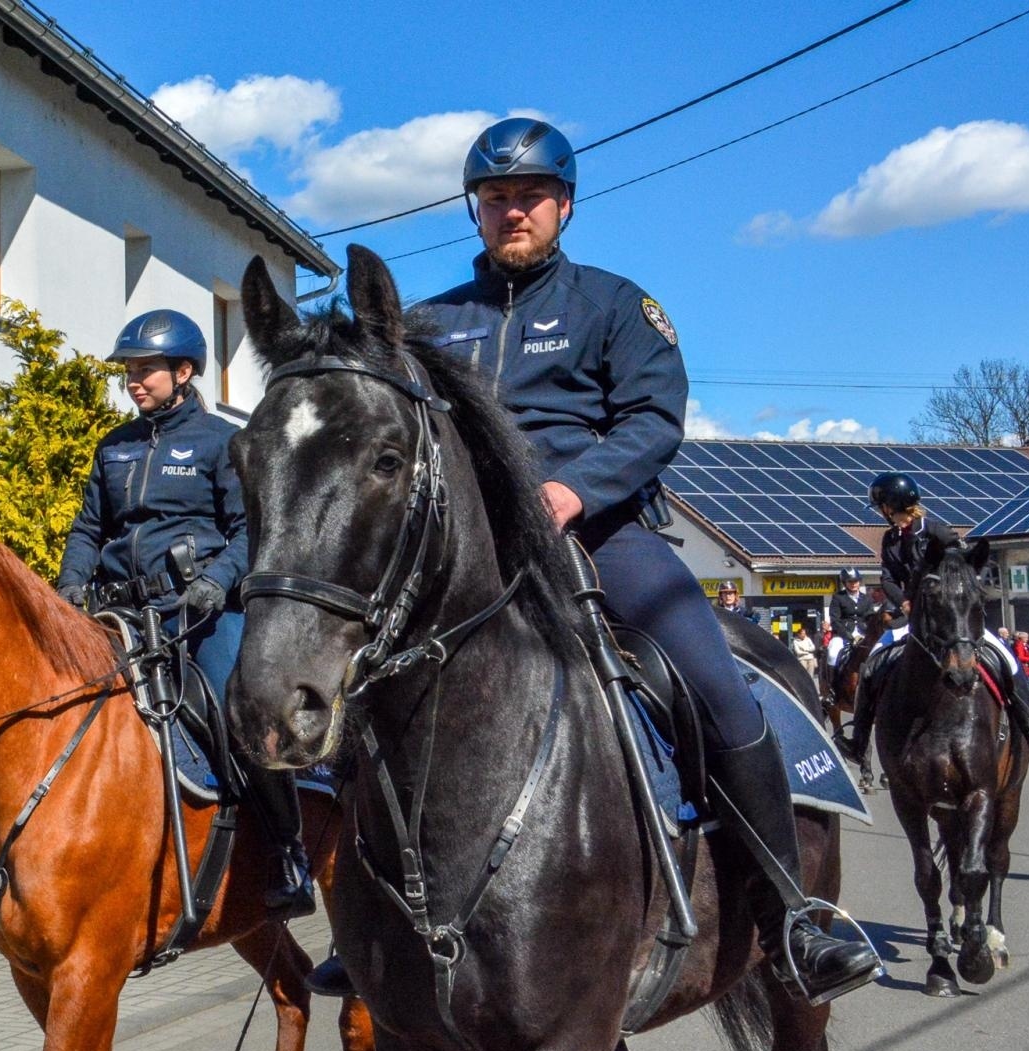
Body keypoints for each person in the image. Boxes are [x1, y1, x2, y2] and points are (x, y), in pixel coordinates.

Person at [305, 118, 878, 1004]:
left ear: (564, 204)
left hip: (603, 538)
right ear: (476, 210)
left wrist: (573, 490)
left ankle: (791, 914)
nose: (511, 212)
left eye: (528, 196)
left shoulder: (615, 306)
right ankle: (371, 921)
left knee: (715, 680)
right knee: (355, 690)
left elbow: (654, 422)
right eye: (495, 198)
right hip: (465, 556)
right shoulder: (430, 324)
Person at [55, 309, 313, 918]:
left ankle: (286, 850)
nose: (133, 381)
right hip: (122, 615)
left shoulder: (223, 441)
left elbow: (252, 529)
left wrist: (218, 581)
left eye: (146, 370)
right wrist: (67, 591)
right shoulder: (113, 448)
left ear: (184, 371)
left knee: (243, 716)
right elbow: (89, 529)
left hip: (198, 612)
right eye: (129, 372)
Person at [847, 473, 1029, 764]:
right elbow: (888, 577)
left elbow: (963, 566)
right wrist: (904, 601)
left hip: (950, 616)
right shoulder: (890, 539)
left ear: (890, 506)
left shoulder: (937, 532)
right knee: (871, 663)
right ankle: (858, 740)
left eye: (882, 508)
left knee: (1006, 658)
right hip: (912, 618)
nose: (881, 514)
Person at [826, 568, 874, 677]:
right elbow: (835, 620)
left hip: (864, 633)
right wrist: (848, 636)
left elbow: (870, 617)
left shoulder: (867, 599)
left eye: (856, 581)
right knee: (833, 654)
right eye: (850, 582)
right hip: (844, 634)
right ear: (845, 583)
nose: (853, 584)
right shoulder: (838, 598)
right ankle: (831, 684)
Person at [1012, 630, 1029, 701]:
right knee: (1026, 681)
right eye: (1026, 638)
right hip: (1023, 665)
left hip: (1027, 665)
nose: (1027, 639)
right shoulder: (1019, 645)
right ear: (1022, 638)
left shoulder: (1024, 645)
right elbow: (1020, 657)